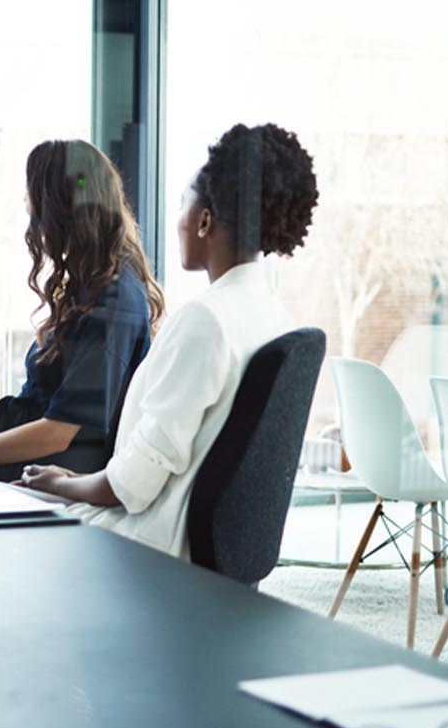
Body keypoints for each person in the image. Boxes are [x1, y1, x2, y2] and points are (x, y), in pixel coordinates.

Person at [20, 123, 319, 556]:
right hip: (191, 546)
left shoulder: (205, 321)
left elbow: (132, 487)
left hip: (145, 545)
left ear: (203, 220)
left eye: (182, 203)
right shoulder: (274, 316)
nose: (177, 219)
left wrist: (63, 483)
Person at [0, 140, 163, 482]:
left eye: (32, 198)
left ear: (58, 209)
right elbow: (39, 414)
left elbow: (58, 431)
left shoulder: (113, 300)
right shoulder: (92, 285)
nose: (27, 207)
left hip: (50, 474)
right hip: (34, 463)